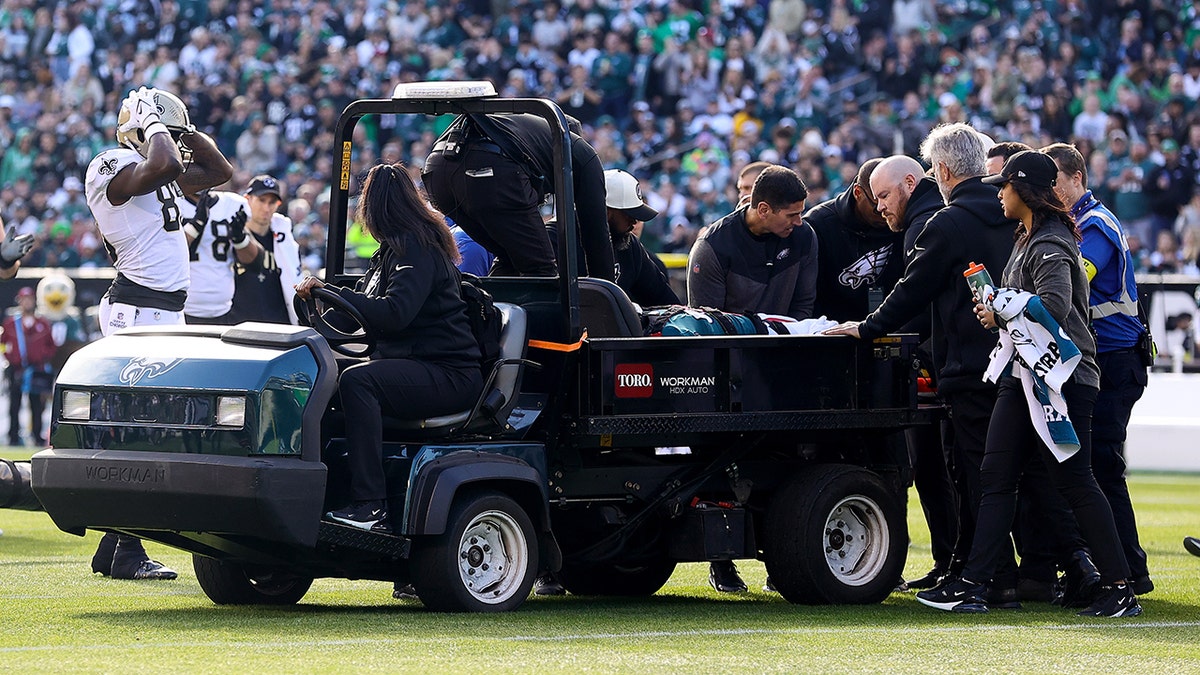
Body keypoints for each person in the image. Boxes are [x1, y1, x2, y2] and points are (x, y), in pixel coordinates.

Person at [918, 150, 1142, 618]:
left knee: (1074, 480)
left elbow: (1055, 307)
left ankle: (1120, 586)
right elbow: (1031, 309)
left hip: (1060, 381)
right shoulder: (1030, 237)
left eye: (1004, 185)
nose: (997, 192)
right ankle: (976, 585)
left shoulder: (1049, 243)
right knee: (997, 477)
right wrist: (996, 310)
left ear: (1024, 191)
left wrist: (1000, 303)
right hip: (1026, 375)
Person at [826, 126, 1018, 602]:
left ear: (943, 171)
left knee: (973, 475)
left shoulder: (946, 222)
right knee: (1016, 475)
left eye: (934, 170)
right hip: (1018, 364)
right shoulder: (1013, 215)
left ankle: (984, 578)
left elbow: (913, 292)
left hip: (969, 369)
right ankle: (1029, 572)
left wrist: (867, 328)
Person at [84, 85, 233, 581]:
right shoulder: (111, 163)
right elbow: (164, 166)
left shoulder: (158, 165)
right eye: (159, 132)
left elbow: (218, 173)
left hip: (162, 311)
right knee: (151, 428)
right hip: (138, 309)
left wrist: (181, 127)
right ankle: (126, 551)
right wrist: (152, 125)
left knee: (150, 427)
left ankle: (115, 547)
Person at [294, 162, 484, 531]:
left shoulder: (418, 248)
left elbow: (395, 314)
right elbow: (354, 316)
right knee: (323, 383)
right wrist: (315, 311)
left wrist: (329, 292)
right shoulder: (390, 254)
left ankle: (371, 505)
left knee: (358, 382)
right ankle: (323, 492)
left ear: (376, 208)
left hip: (448, 371)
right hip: (416, 366)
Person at [806, 156, 957, 591]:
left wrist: (873, 330)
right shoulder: (822, 227)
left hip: (900, 352)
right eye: (876, 199)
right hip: (843, 356)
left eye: (887, 197)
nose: (883, 208)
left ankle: (935, 561)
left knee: (919, 463)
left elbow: (914, 293)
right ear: (859, 194)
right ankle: (946, 562)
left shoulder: (921, 221)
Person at [1043, 142, 1153, 595]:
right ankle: (1119, 566)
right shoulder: (1078, 224)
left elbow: (1076, 282)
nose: (1051, 191)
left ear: (1077, 179)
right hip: (1104, 358)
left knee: (1102, 466)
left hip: (1114, 358)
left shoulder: (1096, 225)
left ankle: (1129, 569)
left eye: (1055, 182)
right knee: (1095, 466)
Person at [423, 112, 614, 282]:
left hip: (436, 171)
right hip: (487, 167)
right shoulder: (581, 152)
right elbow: (596, 234)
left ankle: (488, 317)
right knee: (541, 269)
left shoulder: (521, 130)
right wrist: (607, 299)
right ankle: (533, 322)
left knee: (510, 256)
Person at [687, 165, 816, 319]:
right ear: (763, 210)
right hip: (732, 342)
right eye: (791, 215)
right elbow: (708, 324)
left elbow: (803, 306)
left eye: (800, 213)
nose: (798, 222)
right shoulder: (712, 247)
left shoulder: (804, 236)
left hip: (789, 340)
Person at [181, 186, 262, 324]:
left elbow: (256, 262)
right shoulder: (173, 202)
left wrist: (239, 238)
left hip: (225, 310)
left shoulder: (232, 203)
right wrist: (195, 226)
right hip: (181, 310)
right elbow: (163, 255)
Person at [229, 175, 301, 325]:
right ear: (247, 199)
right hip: (239, 326)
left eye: (272, 202)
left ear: (278, 204)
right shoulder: (233, 234)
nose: (266, 208)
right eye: (261, 200)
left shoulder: (285, 241)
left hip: (279, 326)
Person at [604, 169, 679, 307]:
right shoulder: (561, 241)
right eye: (629, 214)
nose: (635, 222)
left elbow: (667, 303)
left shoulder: (630, 245)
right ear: (607, 212)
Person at [2, 287, 56, 447]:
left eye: (30, 299)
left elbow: (51, 346)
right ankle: (13, 436)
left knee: (36, 404)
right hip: (17, 369)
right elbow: (3, 344)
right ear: (19, 301)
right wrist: (10, 357)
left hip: (36, 369)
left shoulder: (42, 323)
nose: (27, 302)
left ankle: (37, 435)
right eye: (24, 299)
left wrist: (41, 356)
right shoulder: (11, 323)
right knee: (14, 403)